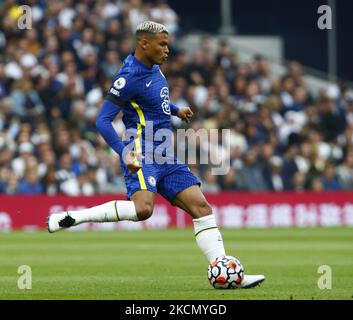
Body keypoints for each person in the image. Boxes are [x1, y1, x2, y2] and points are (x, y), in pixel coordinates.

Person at [47, 21, 265, 288]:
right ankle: (72, 218)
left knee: (202, 208)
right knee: (143, 210)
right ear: (144, 44)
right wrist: (125, 152)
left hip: (164, 152)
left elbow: (153, 100)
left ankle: (227, 275)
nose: (167, 49)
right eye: (162, 44)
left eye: (167, 43)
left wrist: (175, 110)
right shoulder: (128, 76)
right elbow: (103, 120)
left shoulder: (155, 69)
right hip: (141, 148)